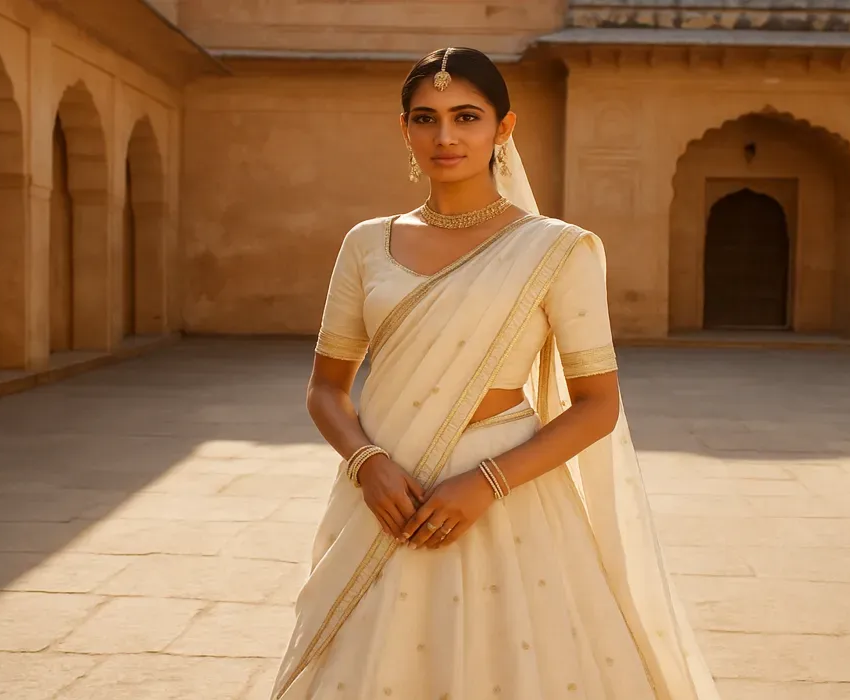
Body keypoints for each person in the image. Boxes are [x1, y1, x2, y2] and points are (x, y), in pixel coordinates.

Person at [272, 47, 716, 700]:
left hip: (506, 501)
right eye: (425, 118)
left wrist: (484, 484)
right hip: (385, 499)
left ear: (504, 129)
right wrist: (368, 463)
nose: (445, 136)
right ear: (405, 130)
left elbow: (597, 404)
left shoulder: (557, 249)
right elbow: (326, 389)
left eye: (466, 117)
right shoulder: (368, 243)